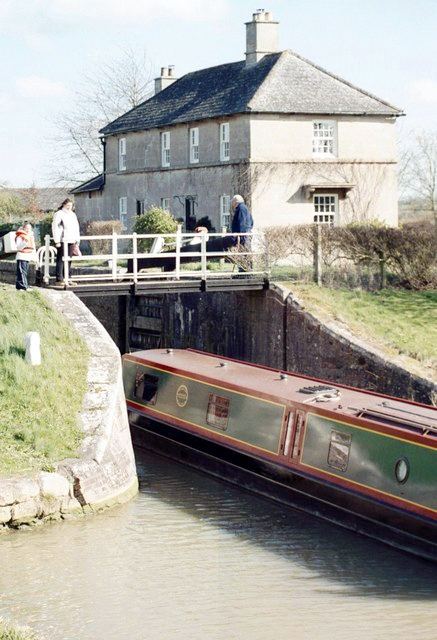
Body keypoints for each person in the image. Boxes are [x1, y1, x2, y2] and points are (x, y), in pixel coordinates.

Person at [52, 198, 80, 284]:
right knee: (61, 259)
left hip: (72, 239)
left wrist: (77, 240)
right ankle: (59, 278)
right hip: (62, 239)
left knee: (69, 259)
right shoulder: (59, 214)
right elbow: (55, 227)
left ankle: (67, 277)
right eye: (68, 205)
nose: (69, 207)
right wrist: (57, 241)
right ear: (64, 205)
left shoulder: (73, 215)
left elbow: (76, 227)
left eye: (71, 205)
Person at [15, 222, 36, 291]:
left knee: (24, 272)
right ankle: (24, 287)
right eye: (26, 228)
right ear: (23, 228)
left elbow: (33, 248)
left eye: (29, 228)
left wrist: (34, 257)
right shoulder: (20, 236)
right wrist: (25, 241)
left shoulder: (30, 236)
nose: (28, 230)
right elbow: (18, 247)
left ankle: (19, 287)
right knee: (22, 272)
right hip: (21, 256)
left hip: (27, 256)